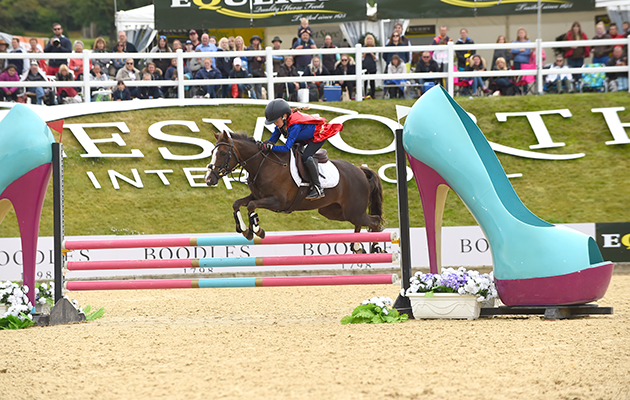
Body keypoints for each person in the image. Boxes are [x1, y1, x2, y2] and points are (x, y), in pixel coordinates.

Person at [261, 98, 343, 200]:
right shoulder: (281, 124)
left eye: (276, 121)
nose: (275, 124)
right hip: (303, 137)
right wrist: (263, 145)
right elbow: (272, 140)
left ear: (284, 116)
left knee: (306, 156)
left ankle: (318, 188)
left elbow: (286, 148)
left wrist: (272, 147)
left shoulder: (295, 126)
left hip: (318, 135)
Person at [247, 35, 265, 99]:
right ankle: (253, 100)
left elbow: (264, 59)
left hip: (259, 71)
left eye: (257, 40)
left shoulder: (261, 50)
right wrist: (253, 56)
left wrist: (260, 59)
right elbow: (248, 59)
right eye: (254, 40)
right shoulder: (248, 49)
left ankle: (259, 100)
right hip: (251, 70)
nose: (255, 41)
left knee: (259, 88)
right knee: (251, 88)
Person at [361, 34, 378, 99]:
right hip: (365, 66)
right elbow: (361, 58)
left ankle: (373, 94)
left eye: (370, 39)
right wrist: (365, 52)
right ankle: (364, 94)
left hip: (372, 66)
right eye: (368, 39)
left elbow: (376, 59)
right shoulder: (363, 48)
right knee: (365, 81)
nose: (369, 40)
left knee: (372, 81)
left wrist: (371, 53)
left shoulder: (375, 48)